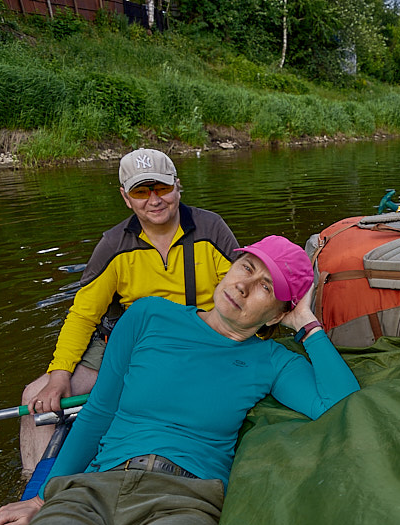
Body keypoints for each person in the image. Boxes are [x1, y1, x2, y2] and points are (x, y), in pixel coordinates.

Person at [0, 236, 360, 525]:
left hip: (184, 507)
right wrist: (43, 498)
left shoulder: (272, 360)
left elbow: (341, 404)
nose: (243, 286)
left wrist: (307, 324)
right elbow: (99, 412)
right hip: (95, 490)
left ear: (279, 313)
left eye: (266, 287)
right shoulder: (148, 315)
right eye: (246, 267)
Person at [20, 148, 239, 474]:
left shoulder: (212, 230)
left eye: (162, 188)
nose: (154, 200)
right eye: (141, 191)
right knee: (33, 396)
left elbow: (243, 292)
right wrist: (59, 376)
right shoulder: (113, 245)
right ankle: (33, 486)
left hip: (199, 342)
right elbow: (83, 315)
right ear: (126, 197)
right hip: (131, 346)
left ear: (178, 187)